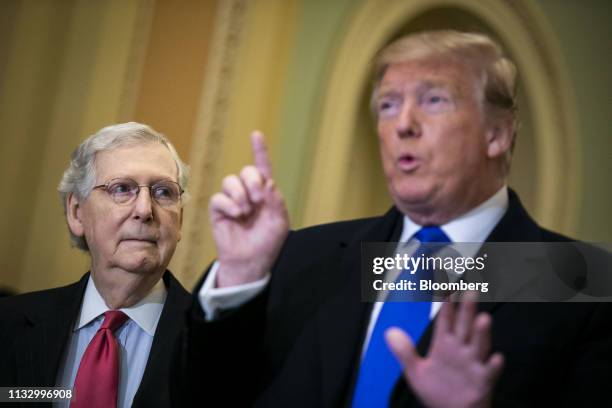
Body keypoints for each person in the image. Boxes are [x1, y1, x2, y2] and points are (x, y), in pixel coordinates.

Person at [183, 31, 612, 407]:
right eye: (388, 105)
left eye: (434, 99)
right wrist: (241, 279)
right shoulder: (300, 258)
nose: (403, 123)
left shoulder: (582, 282)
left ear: (497, 134)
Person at [0, 122, 192, 408]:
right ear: (77, 213)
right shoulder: (8, 324)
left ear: (180, 221)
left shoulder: (220, 347)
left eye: (163, 192)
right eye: (122, 188)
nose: (144, 209)